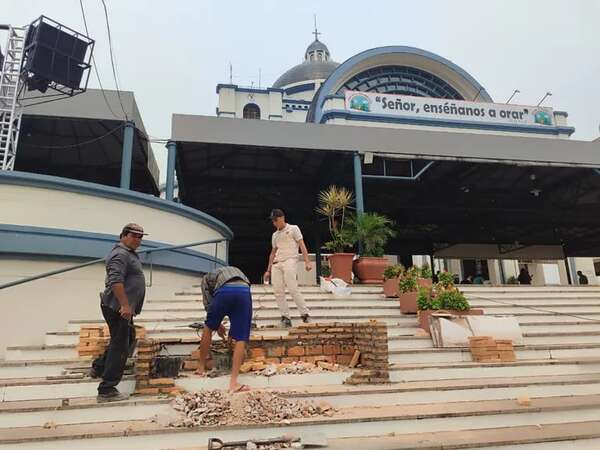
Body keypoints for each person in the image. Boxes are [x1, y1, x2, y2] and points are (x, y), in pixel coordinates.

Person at [94, 223, 147, 403]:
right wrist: (124, 305)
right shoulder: (120, 254)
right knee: (121, 345)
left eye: (140, 237)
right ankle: (107, 388)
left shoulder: (129, 253)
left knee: (127, 338)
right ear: (123, 235)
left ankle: (99, 367)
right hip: (118, 307)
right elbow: (116, 280)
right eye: (134, 236)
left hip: (122, 308)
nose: (138, 240)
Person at [195, 266, 252, 393]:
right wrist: (229, 330)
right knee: (241, 337)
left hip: (225, 290)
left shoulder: (206, 278)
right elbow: (237, 306)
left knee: (208, 327)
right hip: (244, 290)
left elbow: (209, 306)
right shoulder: (237, 271)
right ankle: (233, 383)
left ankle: (200, 368)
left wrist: (215, 324)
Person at [264, 209, 311, 327]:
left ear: (282, 218)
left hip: (290, 260)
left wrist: (307, 261)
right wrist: (268, 270)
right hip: (277, 263)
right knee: (278, 290)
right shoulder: (275, 235)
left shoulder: (293, 229)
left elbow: (302, 245)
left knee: (292, 287)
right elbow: (272, 252)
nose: (274, 223)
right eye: (273, 221)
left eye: (275, 220)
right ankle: (285, 317)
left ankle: (305, 314)